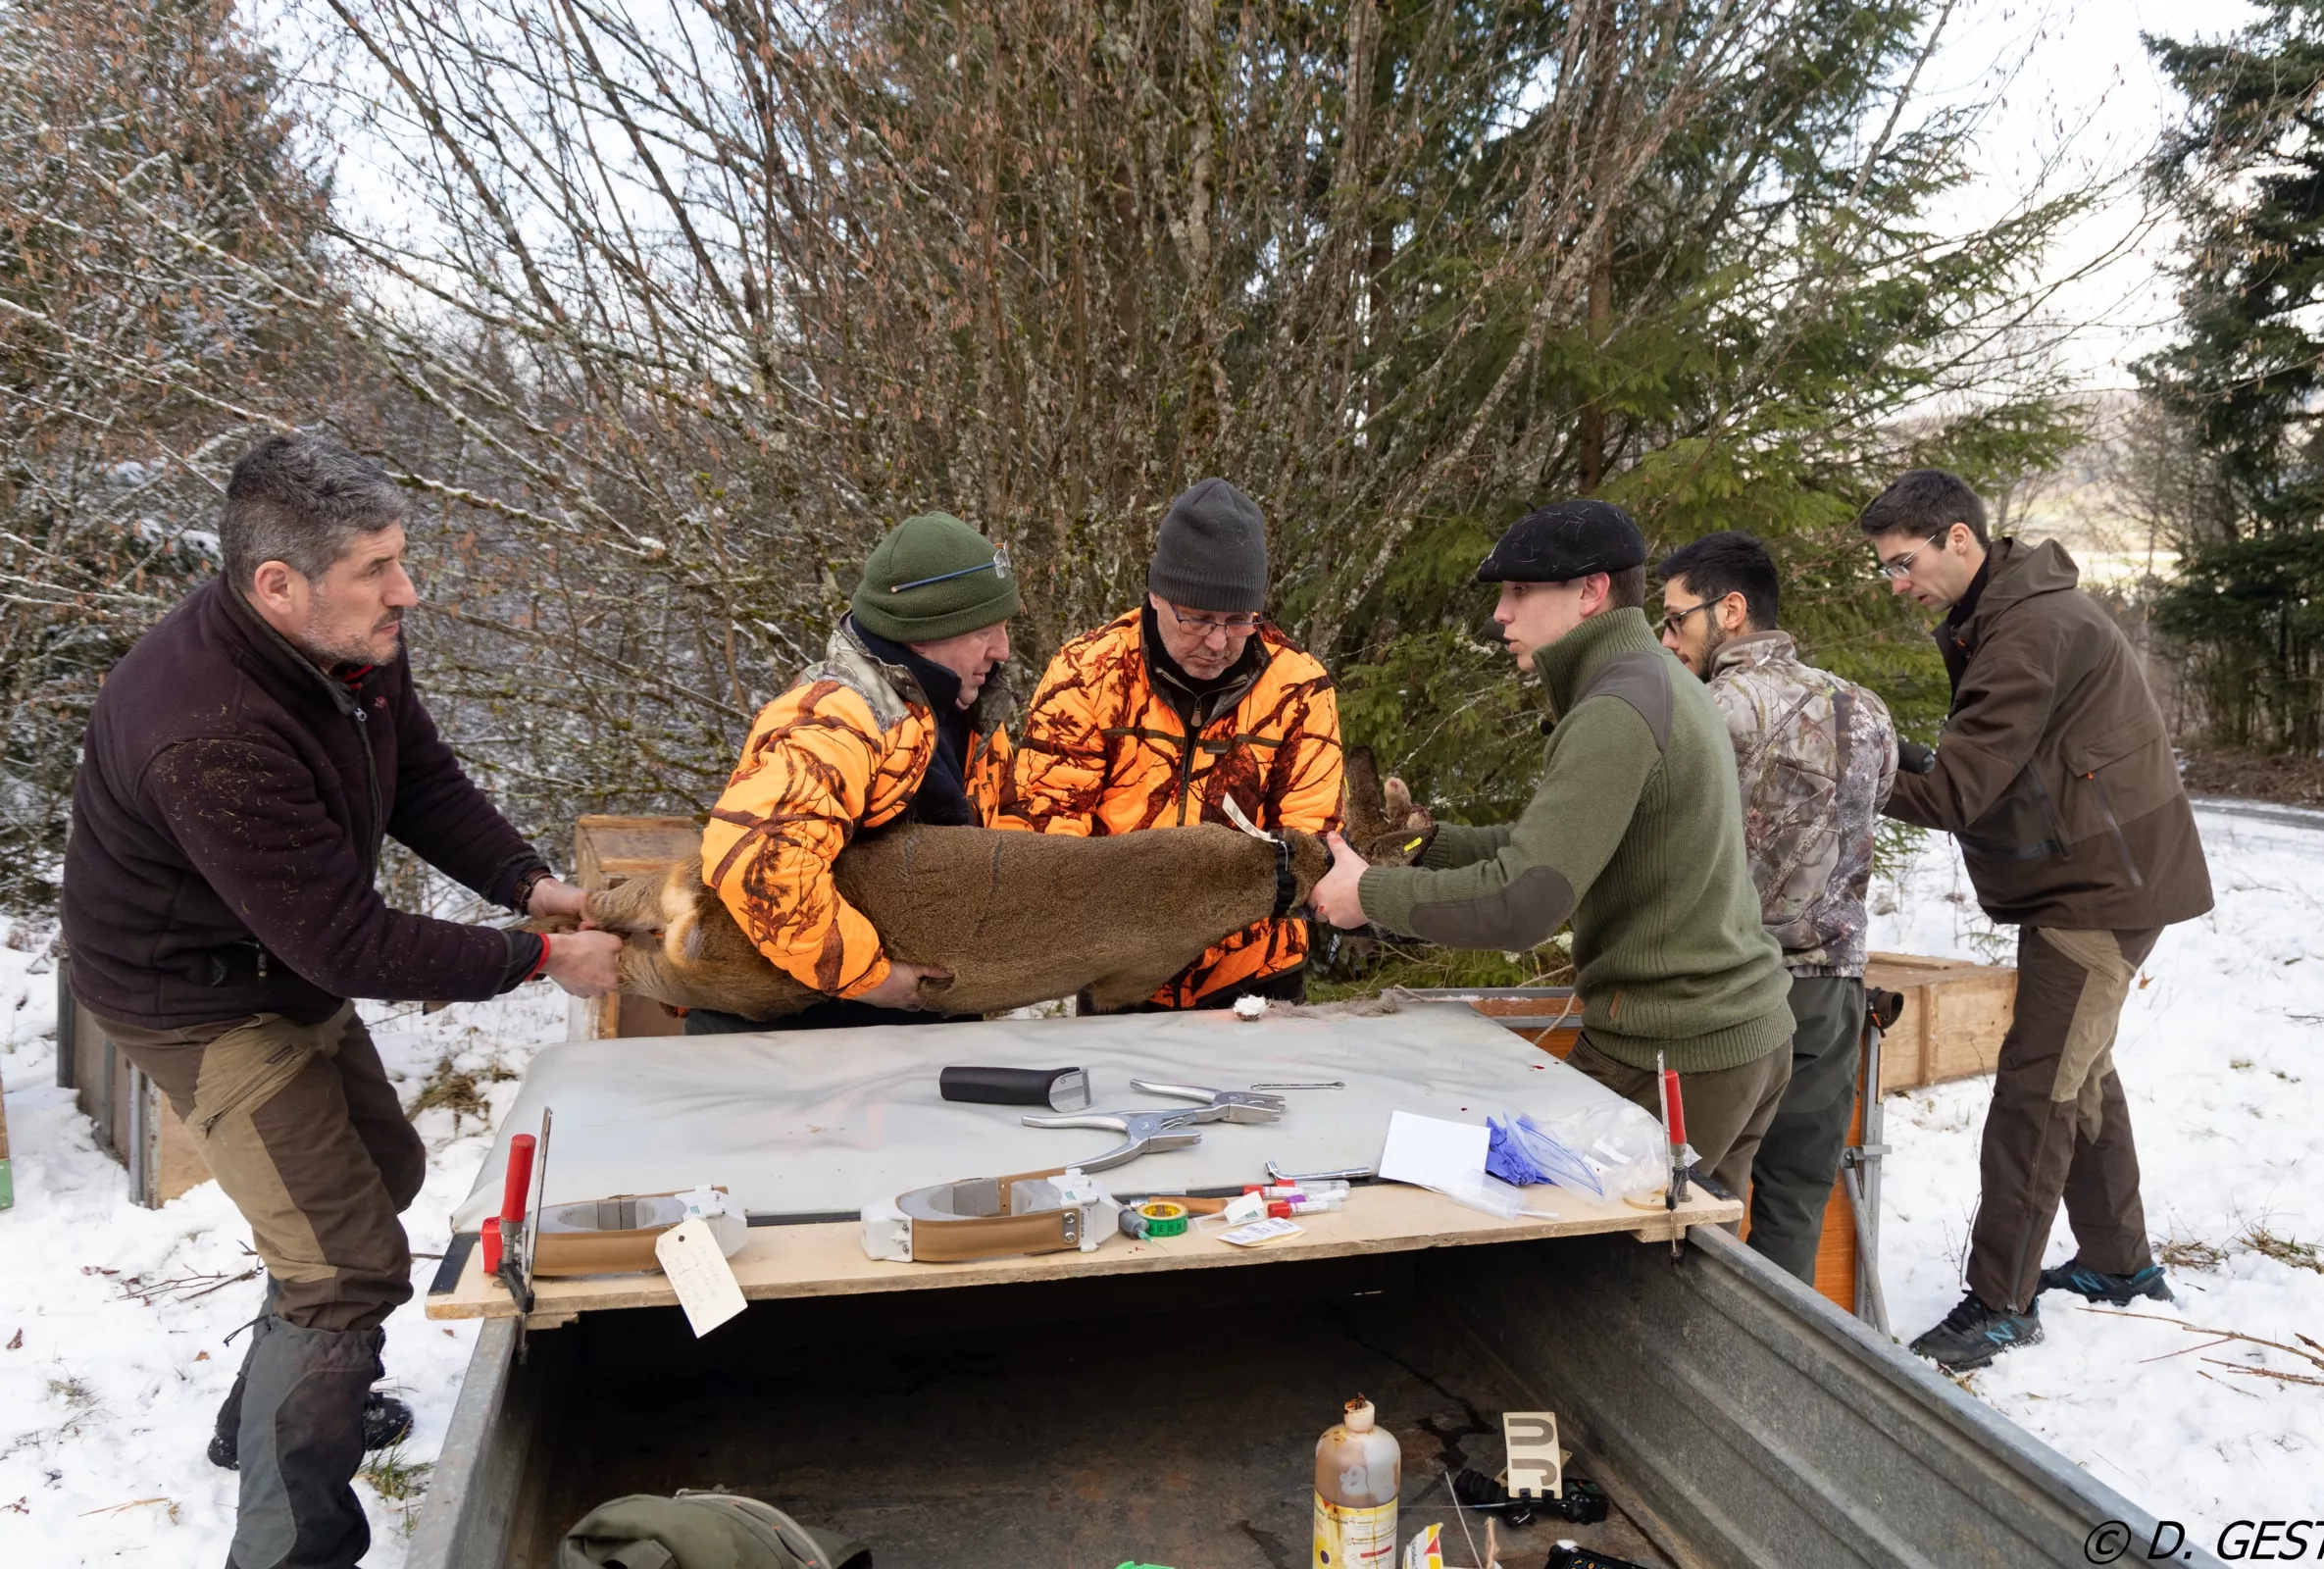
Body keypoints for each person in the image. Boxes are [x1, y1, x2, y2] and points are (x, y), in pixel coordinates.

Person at [61, 432, 624, 1569]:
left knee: (386, 1176)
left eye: (400, 559)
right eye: (378, 569)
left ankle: (263, 1415)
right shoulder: (207, 728)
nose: (406, 590)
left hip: (280, 951)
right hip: (192, 998)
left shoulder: (347, 648)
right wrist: (536, 960)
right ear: (279, 583)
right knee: (342, 1266)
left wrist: (533, 886)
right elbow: (350, 939)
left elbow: (419, 776)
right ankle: (290, 1543)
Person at [1311, 500, 1794, 1200]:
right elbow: (1562, 847)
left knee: (1575, 1274)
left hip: (1676, 1053)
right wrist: (1425, 846)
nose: (1499, 615)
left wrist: (1368, 896)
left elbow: (1525, 899)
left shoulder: (1615, 709)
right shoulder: (1652, 681)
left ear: (1591, 592)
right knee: (1682, 1275)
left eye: (1519, 592)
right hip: (1733, 1039)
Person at [1860, 469, 2213, 1371]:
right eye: (1887, 569)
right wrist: (1874, 748)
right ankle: (2119, 1262)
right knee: (2079, 1070)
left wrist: (1834, 770)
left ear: (1961, 541)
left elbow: (1954, 790)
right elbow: (1985, 754)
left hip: (2100, 887)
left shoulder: (2030, 630)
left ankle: (1999, 1302)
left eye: (1905, 564)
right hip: (2097, 872)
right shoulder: (2013, 613)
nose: (1898, 585)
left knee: (2038, 1089)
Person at [993, 478, 1342, 1009]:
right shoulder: (1088, 674)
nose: (1218, 641)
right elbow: (1044, 837)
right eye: (1198, 618)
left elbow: (1311, 840)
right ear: (1157, 593)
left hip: (1256, 975)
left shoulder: (1299, 687)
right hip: (1117, 971)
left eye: (1238, 620)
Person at [1656, 531, 1898, 1282]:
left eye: (1673, 619)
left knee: (1696, 1201)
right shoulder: (1867, 711)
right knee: (1796, 1202)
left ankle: (1683, 1371)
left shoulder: (1703, 712)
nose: (1665, 639)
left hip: (1730, 994)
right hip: (1832, 996)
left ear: (1729, 611)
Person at [692, 511, 1018, 1032]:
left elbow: (999, 842)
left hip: (902, 1023)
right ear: (921, 635)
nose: (1002, 649)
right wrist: (874, 979)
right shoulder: (838, 718)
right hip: (804, 1036)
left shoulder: (969, 712)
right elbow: (759, 864)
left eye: (1004, 627)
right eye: (984, 632)